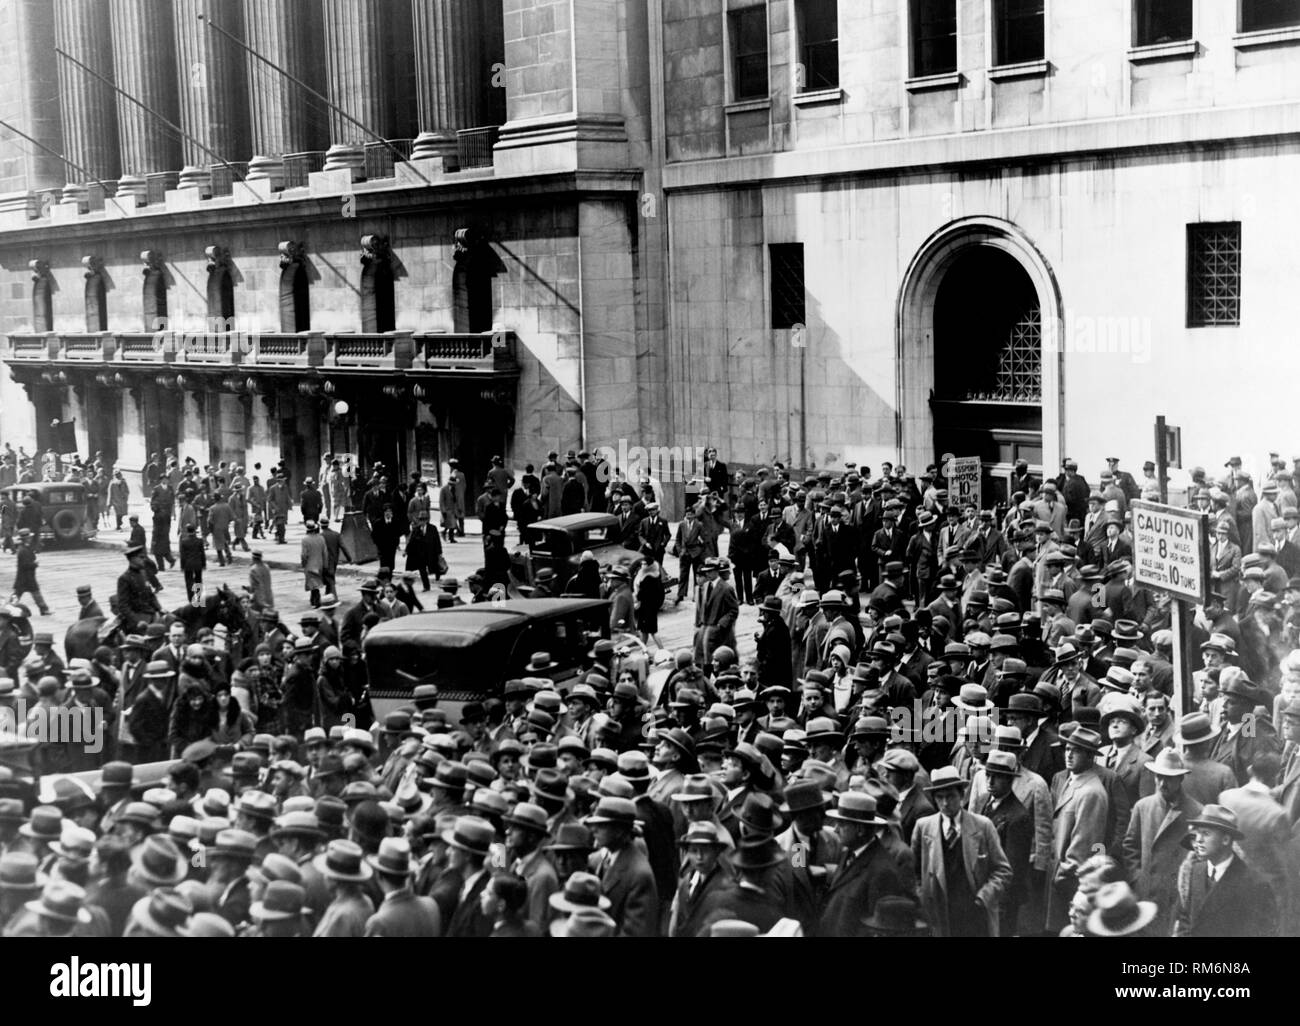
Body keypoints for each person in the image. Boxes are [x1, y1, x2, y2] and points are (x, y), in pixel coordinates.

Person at [911, 766, 1013, 937]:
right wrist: (923, 898)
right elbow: (912, 872)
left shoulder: (982, 826)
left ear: (962, 795)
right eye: (940, 797)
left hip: (974, 915)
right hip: (940, 916)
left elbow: (1003, 871)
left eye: (950, 796)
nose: (945, 803)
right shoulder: (924, 827)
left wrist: (984, 896)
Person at [1174, 805, 1277, 937]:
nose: (1198, 840)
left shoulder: (1255, 884)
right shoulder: (1195, 871)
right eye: (1198, 832)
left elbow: (1264, 931)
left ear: (1226, 839)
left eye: (1206, 833)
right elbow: (1186, 921)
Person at [12, 529, 49, 616]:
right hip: (25, 577)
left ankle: (44, 609)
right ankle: (44, 609)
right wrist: (34, 564)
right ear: (26, 539)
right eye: (29, 537)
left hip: (26, 577)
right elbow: (25, 565)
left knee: (33, 594)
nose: (30, 539)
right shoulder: (23, 550)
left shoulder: (25, 548)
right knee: (22, 594)